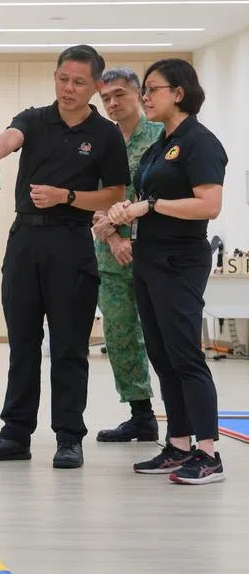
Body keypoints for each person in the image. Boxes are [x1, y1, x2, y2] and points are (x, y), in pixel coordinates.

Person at [0, 45, 129, 469]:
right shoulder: (34, 119)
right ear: (55, 77)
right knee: (22, 343)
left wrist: (66, 196)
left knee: (70, 347)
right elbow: (9, 138)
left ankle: (69, 437)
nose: (69, 88)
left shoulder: (105, 135)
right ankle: (15, 433)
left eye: (79, 83)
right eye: (63, 79)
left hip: (71, 243)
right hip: (25, 243)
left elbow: (114, 195)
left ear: (94, 86)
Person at [108, 58, 228, 484]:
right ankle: (178, 444)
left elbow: (209, 205)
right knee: (161, 356)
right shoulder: (161, 144)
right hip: (149, 258)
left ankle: (208, 453)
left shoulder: (200, 142)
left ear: (179, 92)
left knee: (185, 356)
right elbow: (147, 197)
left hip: (180, 260)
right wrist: (127, 210)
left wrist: (152, 206)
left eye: (153, 89)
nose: (145, 97)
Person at [90, 67, 162, 442]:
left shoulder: (162, 136)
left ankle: (183, 417)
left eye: (120, 94)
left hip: (156, 251)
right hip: (111, 254)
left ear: (139, 94)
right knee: (119, 333)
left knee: (163, 336)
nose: (113, 103)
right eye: (106, 98)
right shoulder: (102, 140)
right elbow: (93, 195)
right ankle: (141, 413)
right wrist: (115, 238)